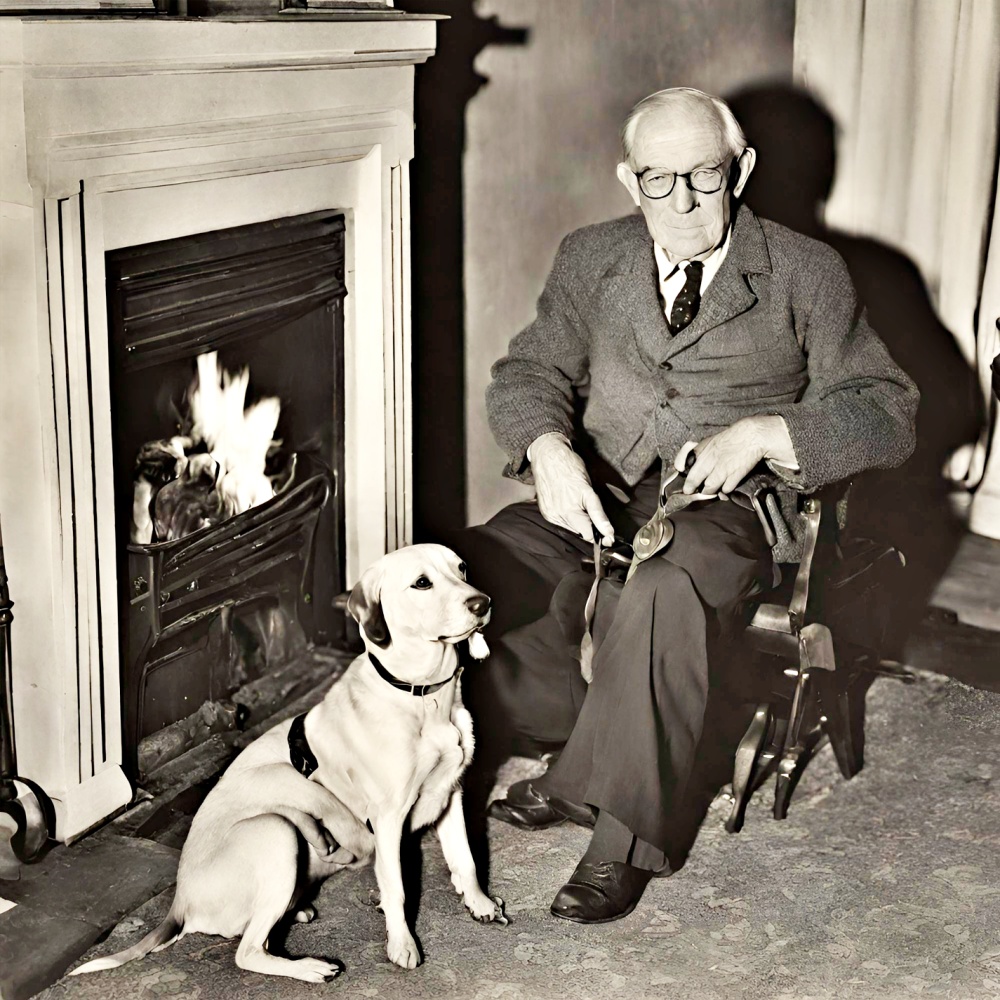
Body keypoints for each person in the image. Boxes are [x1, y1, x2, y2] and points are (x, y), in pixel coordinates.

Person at [461, 87, 919, 925]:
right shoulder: (591, 257)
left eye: (703, 177)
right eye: (658, 180)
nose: (681, 202)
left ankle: (623, 837)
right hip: (601, 491)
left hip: (732, 507)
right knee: (470, 569)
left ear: (739, 170)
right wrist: (548, 450)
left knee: (666, 587)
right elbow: (528, 373)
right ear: (629, 182)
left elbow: (890, 410)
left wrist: (770, 431)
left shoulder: (804, 269)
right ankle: (579, 767)